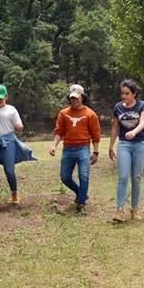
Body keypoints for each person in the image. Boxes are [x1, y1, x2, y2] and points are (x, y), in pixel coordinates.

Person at [49, 84, 101, 214]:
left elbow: (95, 134)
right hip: (68, 148)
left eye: (76, 98)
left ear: (82, 97)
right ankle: (80, 193)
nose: (74, 101)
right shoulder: (64, 113)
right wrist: (54, 146)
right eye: (72, 98)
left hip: (83, 147)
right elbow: (59, 131)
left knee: (84, 175)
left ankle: (81, 203)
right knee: (65, 177)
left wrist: (95, 152)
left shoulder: (90, 114)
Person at [108, 79, 144, 222]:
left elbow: (143, 122)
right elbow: (115, 127)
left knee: (136, 177)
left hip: (140, 144)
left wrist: (134, 131)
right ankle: (119, 211)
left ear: (134, 94)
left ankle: (135, 209)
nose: (124, 96)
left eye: (127, 93)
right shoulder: (118, 107)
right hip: (124, 144)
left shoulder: (142, 105)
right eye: (122, 94)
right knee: (123, 177)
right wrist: (111, 146)